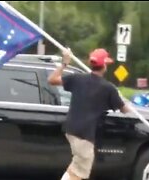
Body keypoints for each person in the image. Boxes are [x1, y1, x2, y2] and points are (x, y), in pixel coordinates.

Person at [47, 48, 130, 180]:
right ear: (104, 66)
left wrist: (64, 64)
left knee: (76, 168)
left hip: (71, 129)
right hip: (84, 135)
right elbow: (125, 110)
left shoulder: (78, 79)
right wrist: (123, 100)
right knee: (79, 172)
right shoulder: (108, 88)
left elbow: (52, 79)